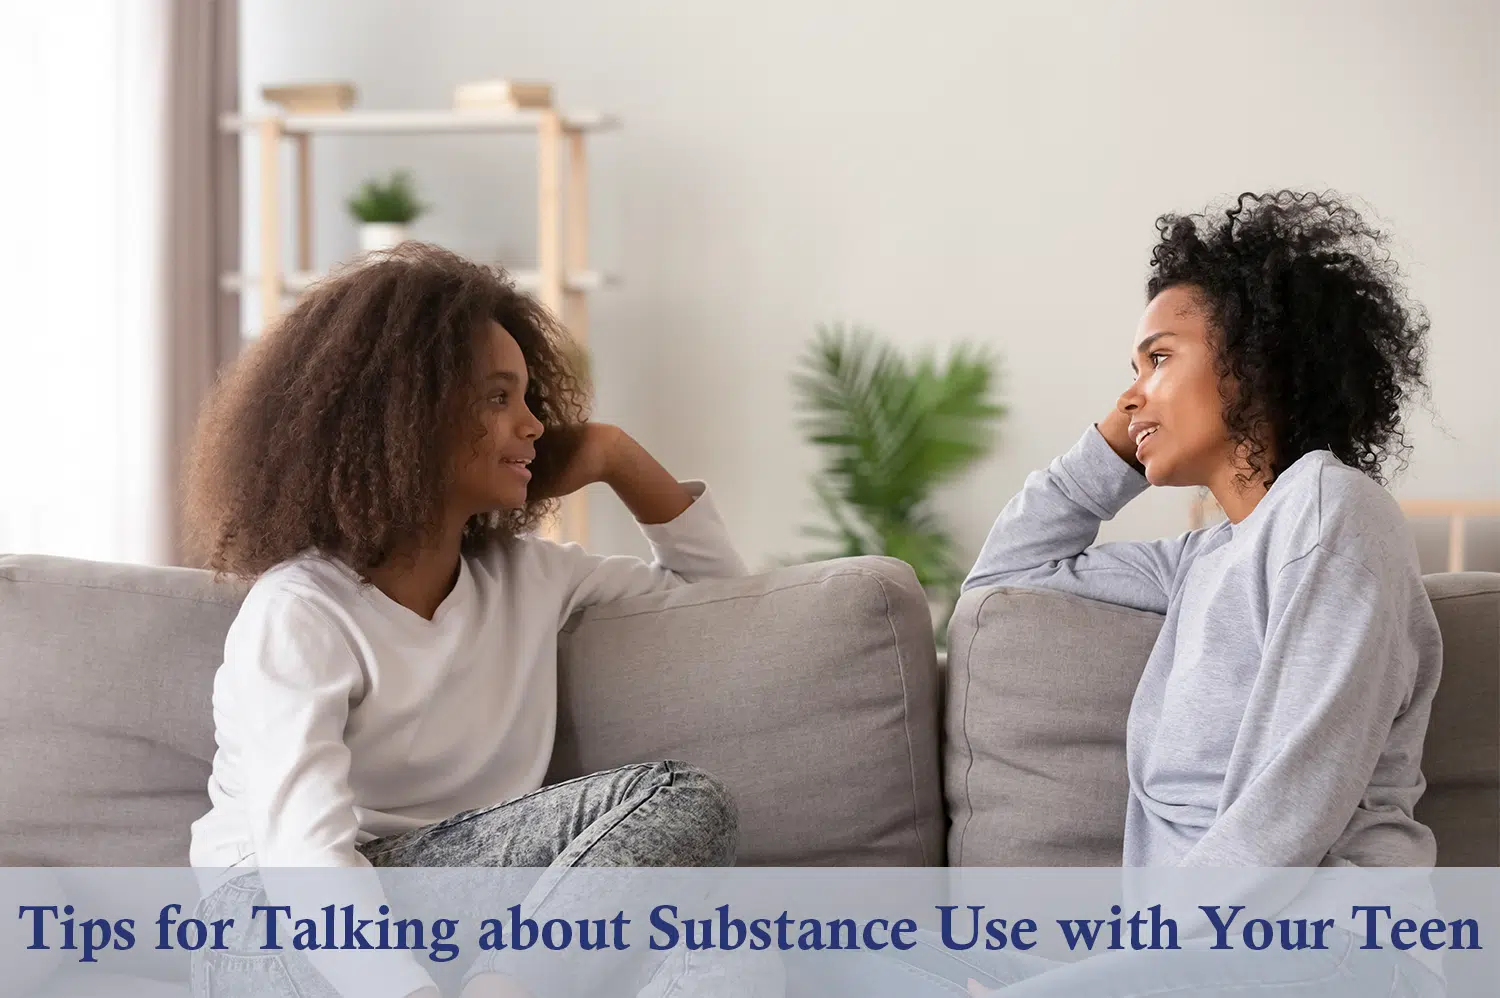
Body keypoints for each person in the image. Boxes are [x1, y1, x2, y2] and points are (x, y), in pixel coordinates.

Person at [858, 191, 1446, 996]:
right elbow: (1002, 582)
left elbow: (1290, 811)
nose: (1132, 396)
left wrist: (1120, 965)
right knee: (839, 967)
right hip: (1190, 960)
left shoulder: (1331, 509)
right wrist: (1113, 446)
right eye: (1131, 371)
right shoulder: (1198, 561)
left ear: (1256, 361)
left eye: (1159, 358)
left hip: (1331, 951)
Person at [181, 243, 754, 998]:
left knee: (726, 944)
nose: (534, 426)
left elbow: (723, 603)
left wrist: (618, 457)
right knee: (681, 795)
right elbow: (305, 861)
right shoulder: (300, 610)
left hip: (471, 920)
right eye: (496, 397)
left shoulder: (532, 577)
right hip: (276, 931)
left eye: (527, 397)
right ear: (402, 416)